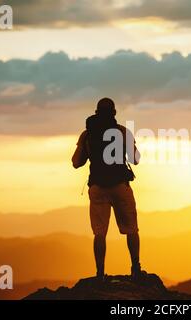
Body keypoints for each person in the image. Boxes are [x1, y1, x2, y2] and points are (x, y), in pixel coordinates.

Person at [72, 97, 145, 280]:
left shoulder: (87, 135)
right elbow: (135, 159)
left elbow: (76, 162)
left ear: (96, 113)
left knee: (99, 233)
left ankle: (100, 273)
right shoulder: (122, 132)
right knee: (131, 229)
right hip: (120, 186)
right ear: (114, 113)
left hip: (97, 187)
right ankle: (135, 268)